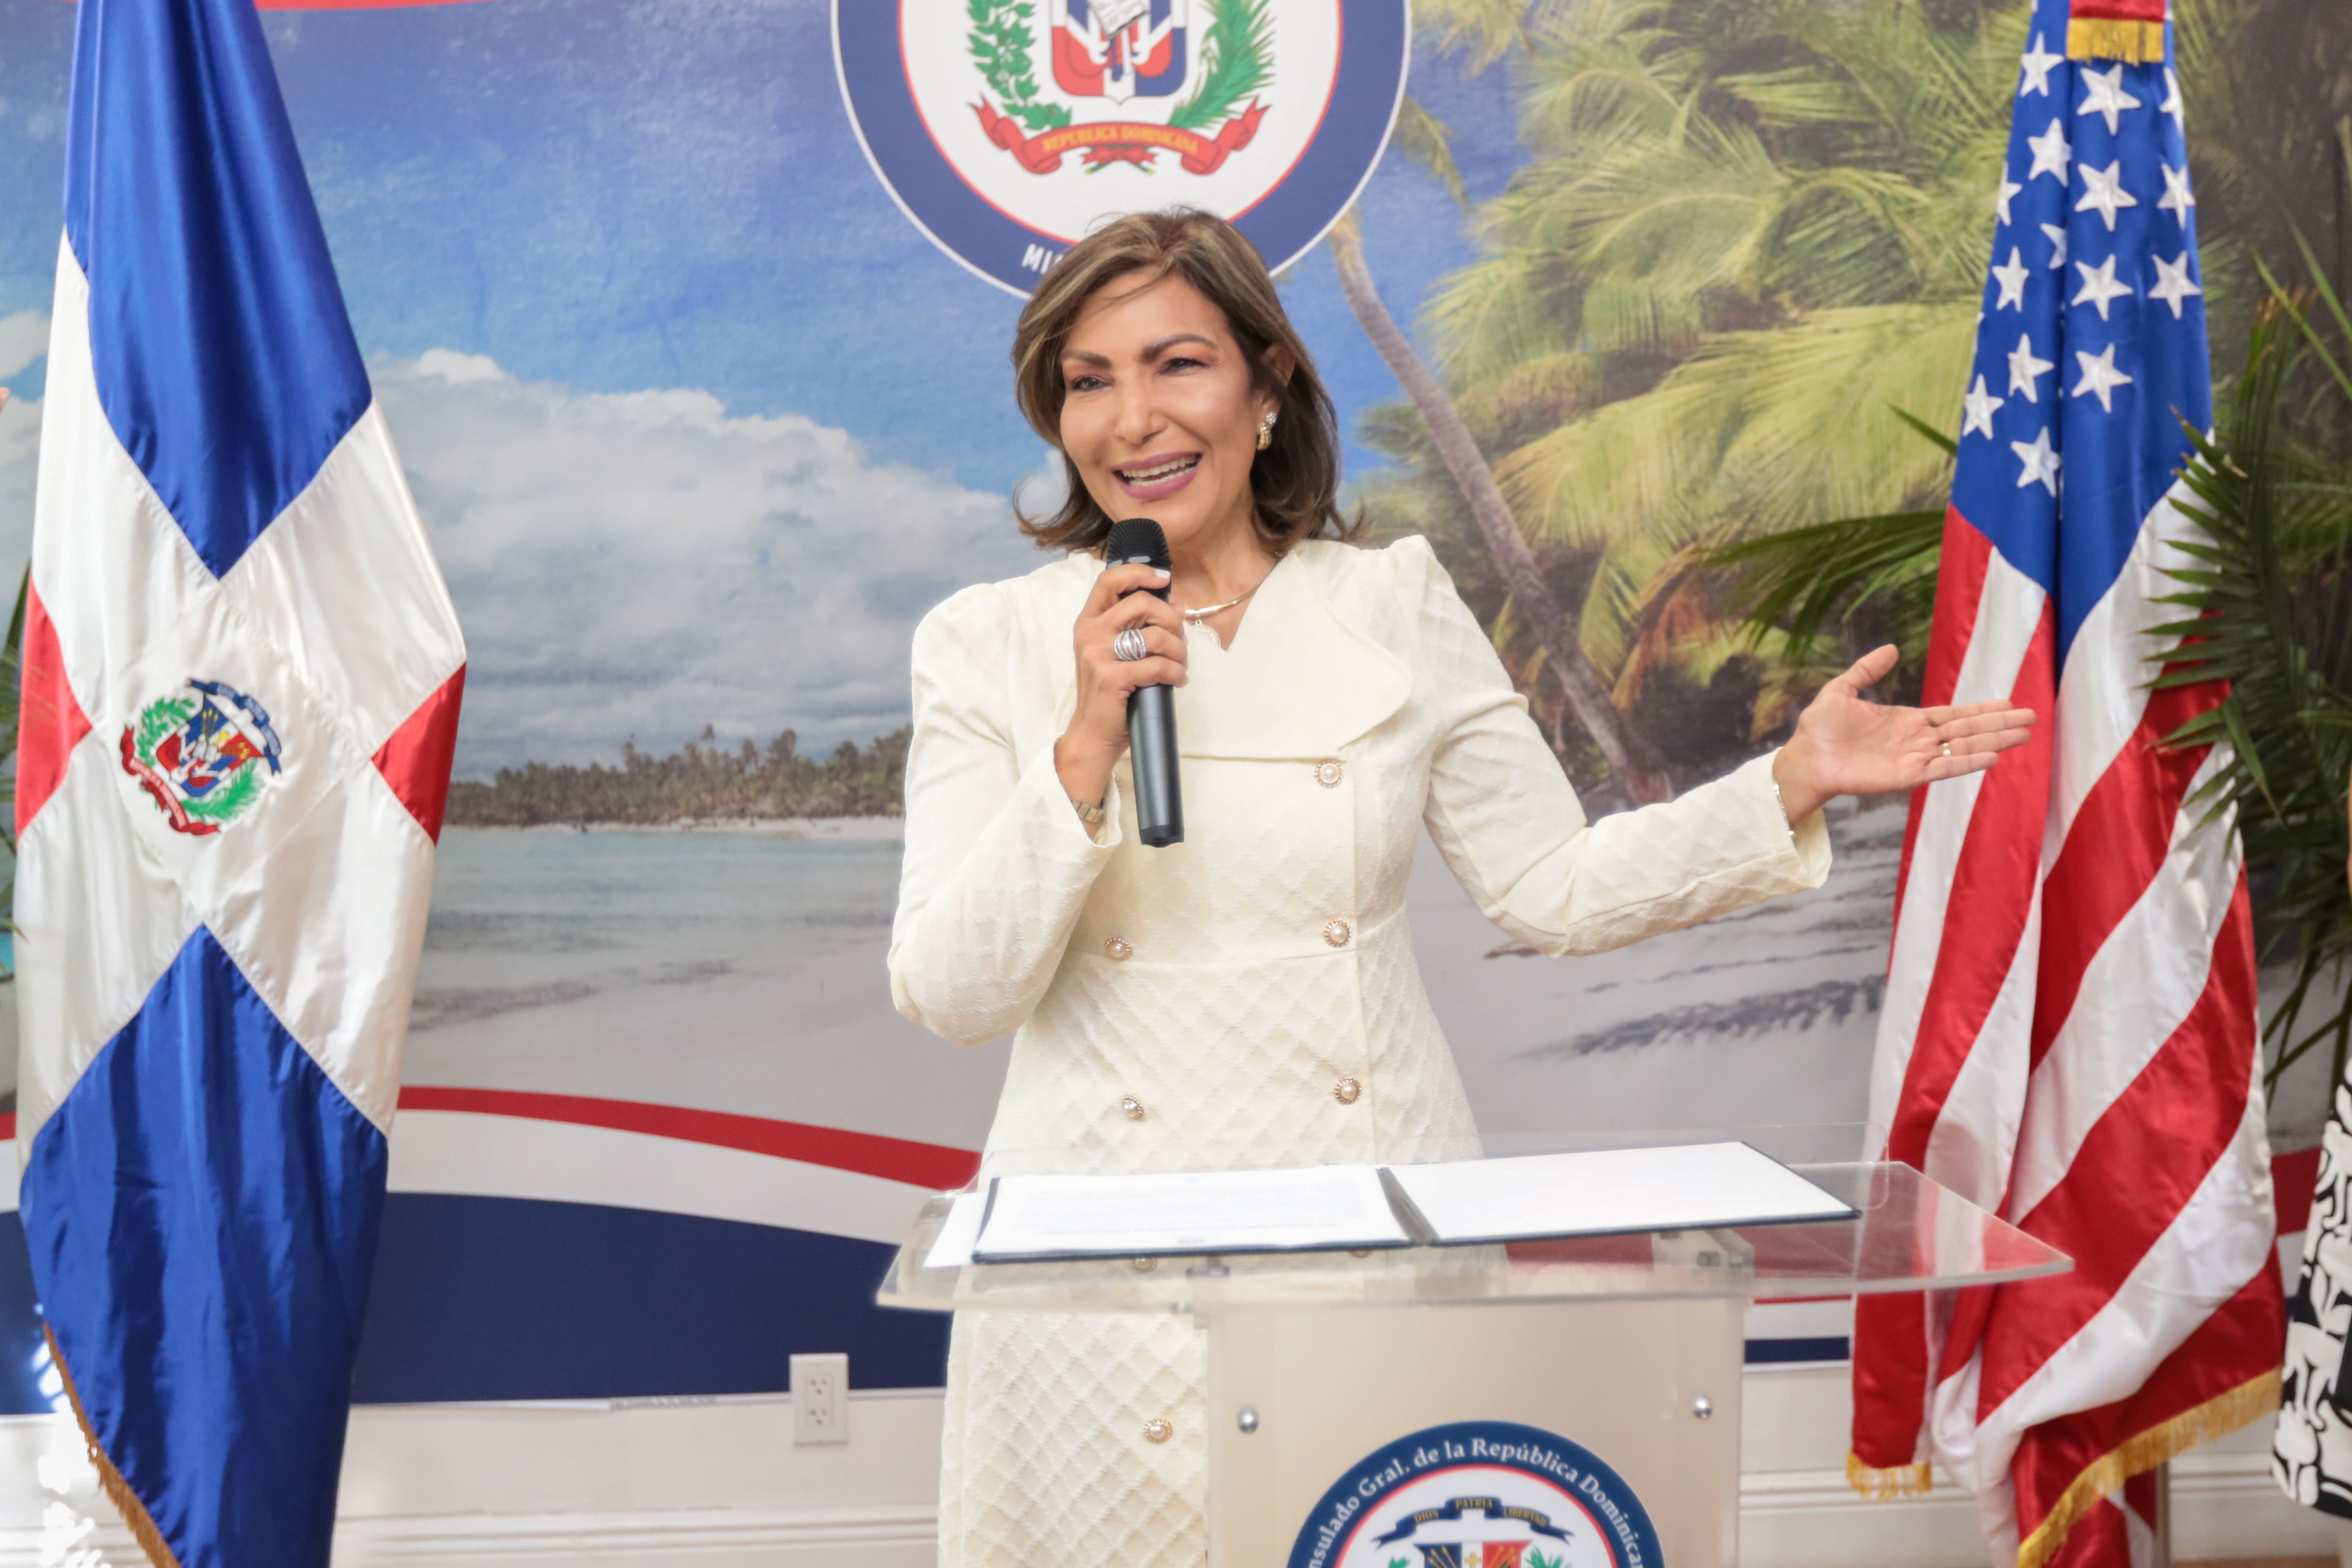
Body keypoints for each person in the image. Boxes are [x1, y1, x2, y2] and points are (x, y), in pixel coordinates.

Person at [886, 208, 2034, 1568]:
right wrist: (1084, 742)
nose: (1133, 417)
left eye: (1177, 362)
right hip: (1098, 1261)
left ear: (1266, 384)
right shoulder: (986, 641)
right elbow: (954, 994)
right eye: (1089, 380)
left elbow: (1553, 885)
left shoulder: (1393, 600)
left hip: (1372, 1231)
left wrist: (1783, 781)